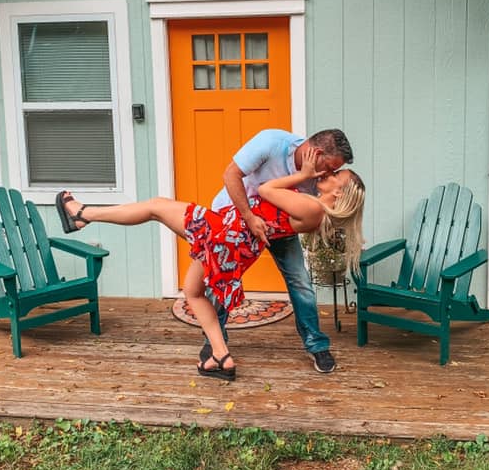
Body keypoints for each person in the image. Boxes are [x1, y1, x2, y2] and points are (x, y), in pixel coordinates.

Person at [55, 148, 365, 383]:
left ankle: (81, 214)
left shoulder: (311, 207)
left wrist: (303, 174)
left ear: (340, 192)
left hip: (224, 234)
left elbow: (267, 190)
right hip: (233, 240)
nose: (331, 174)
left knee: (155, 207)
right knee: (192, 290)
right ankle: (221, 356)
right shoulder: (314, 212)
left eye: (338, 176)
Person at [207, 128, 354, 374]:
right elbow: (231, 174)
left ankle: (316, 344)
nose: (330, 174)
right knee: (225, 279)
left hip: (278, 226)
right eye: (329, 167)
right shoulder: (271, 142)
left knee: (300, 281)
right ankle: (214, 344)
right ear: (316, 153)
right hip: (237, 217)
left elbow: (324, 204)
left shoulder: (318, 176)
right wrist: (249, 217)